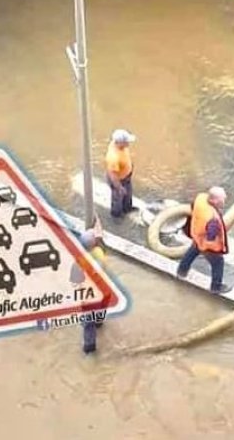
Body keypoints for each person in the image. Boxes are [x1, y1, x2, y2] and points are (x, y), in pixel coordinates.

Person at [176, 186, 232, 294]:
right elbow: (211, 236)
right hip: (208, 245)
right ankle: (216, 287)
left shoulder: (200, 198)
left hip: (197, 234)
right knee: (218, 262)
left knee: (193, 251)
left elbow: (193, 208)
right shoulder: (212, 219)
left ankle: (181, 271)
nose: (224, 200)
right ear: (214, 200)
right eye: (222, 199)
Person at [70, 219, 108, 355]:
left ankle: (89, 349)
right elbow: (99, 236)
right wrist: (97, 220)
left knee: (88, 325)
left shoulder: (79, 261)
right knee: (98, 317)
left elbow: (74, 281)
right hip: (104, 292)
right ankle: (99, 323)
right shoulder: (101, 253)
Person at [105, 129, 136, 218]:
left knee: (128, 193)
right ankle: (116, 214)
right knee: (118, 198)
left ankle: (127, 208)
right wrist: (119, 187)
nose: (128, 144)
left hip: (126, 176)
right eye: (126, 142)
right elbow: (113, 176)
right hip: (118, 180)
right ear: (120, 142)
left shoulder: (119, 145)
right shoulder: (113, 157)